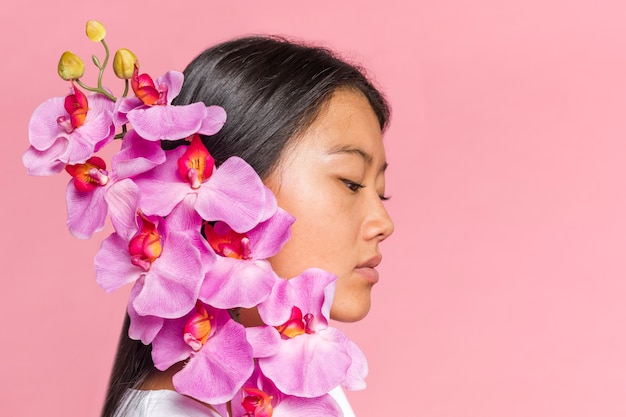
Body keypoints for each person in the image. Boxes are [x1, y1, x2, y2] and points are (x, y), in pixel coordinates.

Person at [93, 35, 393, 417]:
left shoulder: (299, 382)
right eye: (351, 182)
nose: (383, 223)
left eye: (381, 194)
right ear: (235, 185)